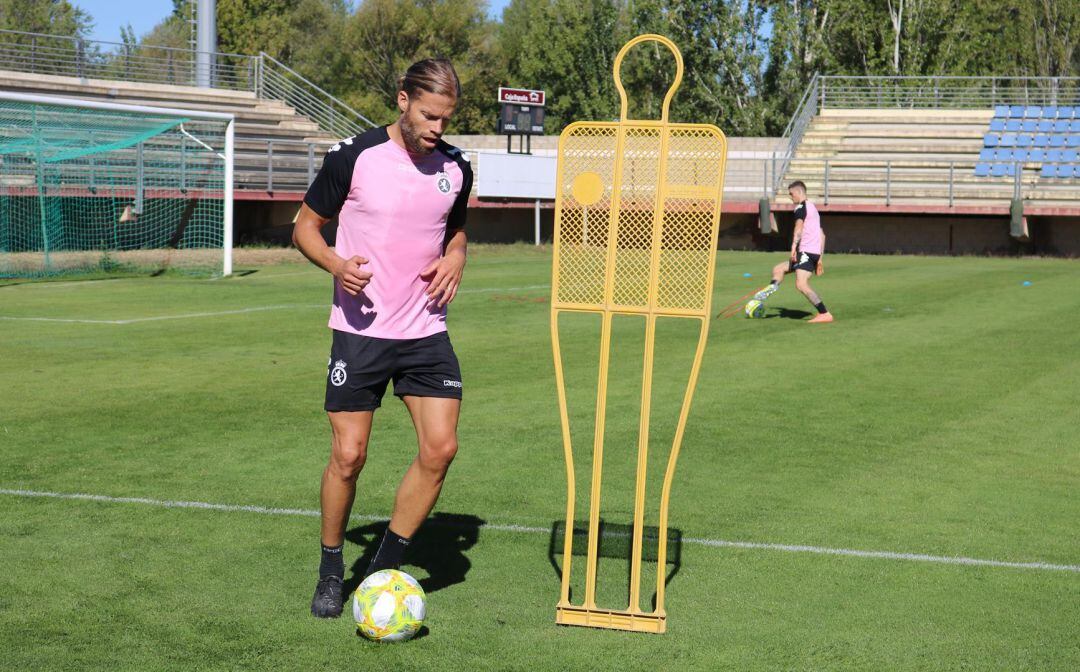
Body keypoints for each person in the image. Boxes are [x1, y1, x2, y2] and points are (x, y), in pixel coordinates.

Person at [291, 58, 473, 618]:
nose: (437, 128)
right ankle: (329, 568)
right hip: (360, 329)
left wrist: (457, 255)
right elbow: (303, 226)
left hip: (425, 326)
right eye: (428, 115)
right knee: (349, 456)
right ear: (402, 101)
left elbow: (456, 227)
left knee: (440, 448)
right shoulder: (353, 157)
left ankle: (379, 569)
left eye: (445, 118)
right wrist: (336, 264)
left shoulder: (457, 167)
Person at [754, 180, 833, 323]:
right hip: (813, 253)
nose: (791, 197)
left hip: (806, 252)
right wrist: (820, 258)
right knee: (778, 269)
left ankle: (824, 313)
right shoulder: (813, 208)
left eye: (791, 194)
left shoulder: (800, 208)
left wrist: (793, 247)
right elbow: (822, 235)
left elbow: (798, 227)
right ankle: (771, 288)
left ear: (799, 192)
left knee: (801, 284)